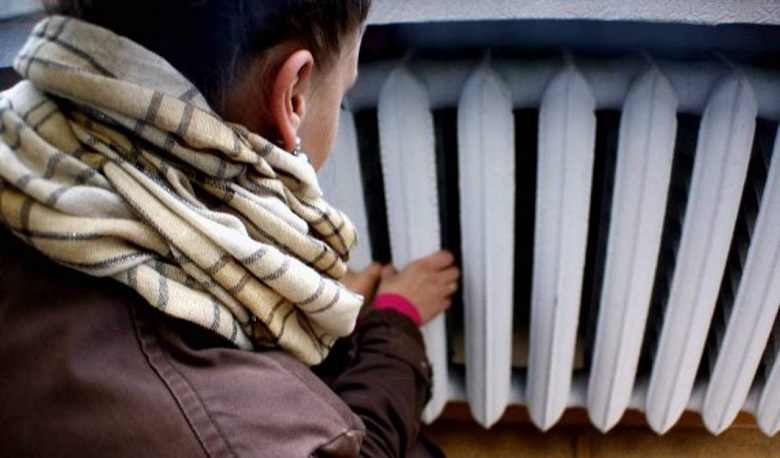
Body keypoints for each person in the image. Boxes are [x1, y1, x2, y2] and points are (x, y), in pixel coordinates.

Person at [0, 1, 460, 456]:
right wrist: (396, 321)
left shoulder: (23, 163)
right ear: (293, 96)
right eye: (340, 95)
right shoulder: (245, 437)